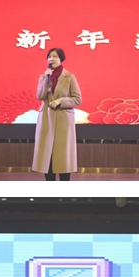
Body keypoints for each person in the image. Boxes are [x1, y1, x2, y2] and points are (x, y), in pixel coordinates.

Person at [31, 47, 82, 180]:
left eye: (54, 56)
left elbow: (77, 99)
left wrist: (61, 101)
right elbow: (40, 96)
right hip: (46, 119)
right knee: (47, 155)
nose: (51, 59)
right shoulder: (44, 77)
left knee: (63, 156)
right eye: (49, 57)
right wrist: (46, 81)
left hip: (63, 121)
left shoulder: (69, 77)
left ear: (61, 59)